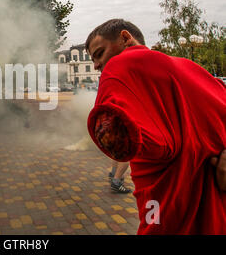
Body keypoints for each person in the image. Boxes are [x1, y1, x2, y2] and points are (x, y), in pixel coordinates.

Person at [85, 19, 226, 235]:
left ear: (125, 38)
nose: (96, 65)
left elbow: (110, 134)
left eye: (99, 53)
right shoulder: (194, 69)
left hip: (169, 213)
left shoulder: (119, 64)